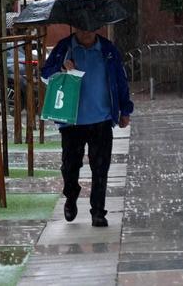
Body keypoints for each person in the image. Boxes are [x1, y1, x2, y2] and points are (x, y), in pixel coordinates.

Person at [41, 25, 133, 228]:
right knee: (69, 166)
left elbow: (120, 80)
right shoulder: (65, 47)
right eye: (82, 29)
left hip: (101, 118)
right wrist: (60, 69)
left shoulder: (107, 49)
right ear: (75, 28)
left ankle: (98, 211)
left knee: (100, 168)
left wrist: (125, 110)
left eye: (90, 29)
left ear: (97, 28)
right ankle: (71, 196)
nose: (86, 34)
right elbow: (45, 74)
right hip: (71, 121)